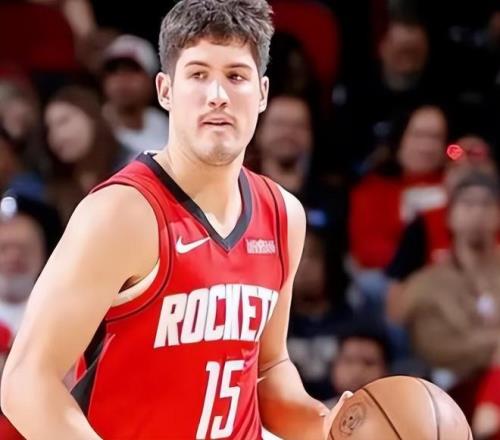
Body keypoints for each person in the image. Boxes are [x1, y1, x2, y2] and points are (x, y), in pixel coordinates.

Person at [0, 1, 350, 439]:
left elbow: (268, 369)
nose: (217, 94)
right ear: (165, 90)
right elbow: (25, 380)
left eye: (236, 76)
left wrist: (330, 425)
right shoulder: (123, 212)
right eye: (198, 74)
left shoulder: (284, 215)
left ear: (262, 93)